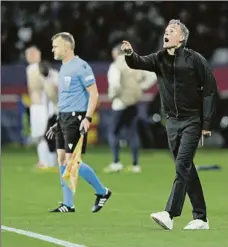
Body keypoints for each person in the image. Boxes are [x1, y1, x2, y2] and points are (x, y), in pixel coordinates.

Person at [121, 19, 217, 230]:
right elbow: (138, 62)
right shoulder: (159, 58)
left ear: (181, 38)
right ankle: (201, 218)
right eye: (166, 30)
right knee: (186, 168)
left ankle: (170, 213)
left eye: (171, 31)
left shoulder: (195, 60)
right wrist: (129, 54)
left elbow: (210, 89)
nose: (166, 33)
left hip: (192, 120)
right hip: (171, 122)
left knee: (182, 165)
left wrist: (206, 122)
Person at [46, 32, 112, 213]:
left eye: (56, 46)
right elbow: (66, 96)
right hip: (64, 118)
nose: (53, 49)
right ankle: (68, 204)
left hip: (76, 117)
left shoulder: (81, 66)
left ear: (67, 47)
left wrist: (87, 118)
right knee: (60, 158)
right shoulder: (63, 67)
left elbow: (94, 94)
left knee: (72, 161)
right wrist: (58, 121)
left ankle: (102, 191)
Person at [104, 43, 157, 173]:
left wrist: (112, 96)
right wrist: (141, 87)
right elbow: (152, 76)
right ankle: (135, 165)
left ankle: (116, 162)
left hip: (120, 103)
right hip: (133, 102)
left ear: (116, 53)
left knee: (113, 132)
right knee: (133, 133)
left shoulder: (116, 66)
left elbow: (115, 85)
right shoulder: (135, 63)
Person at [25, 46, 58, 168]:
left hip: (41, 106)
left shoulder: (34, 68)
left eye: (28, 54)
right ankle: (46, 161)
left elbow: (48, 84)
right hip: (43, 105)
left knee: (43, 134)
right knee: (43, 135)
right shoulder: (45, 68)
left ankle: (46, 162)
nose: (26, 57)